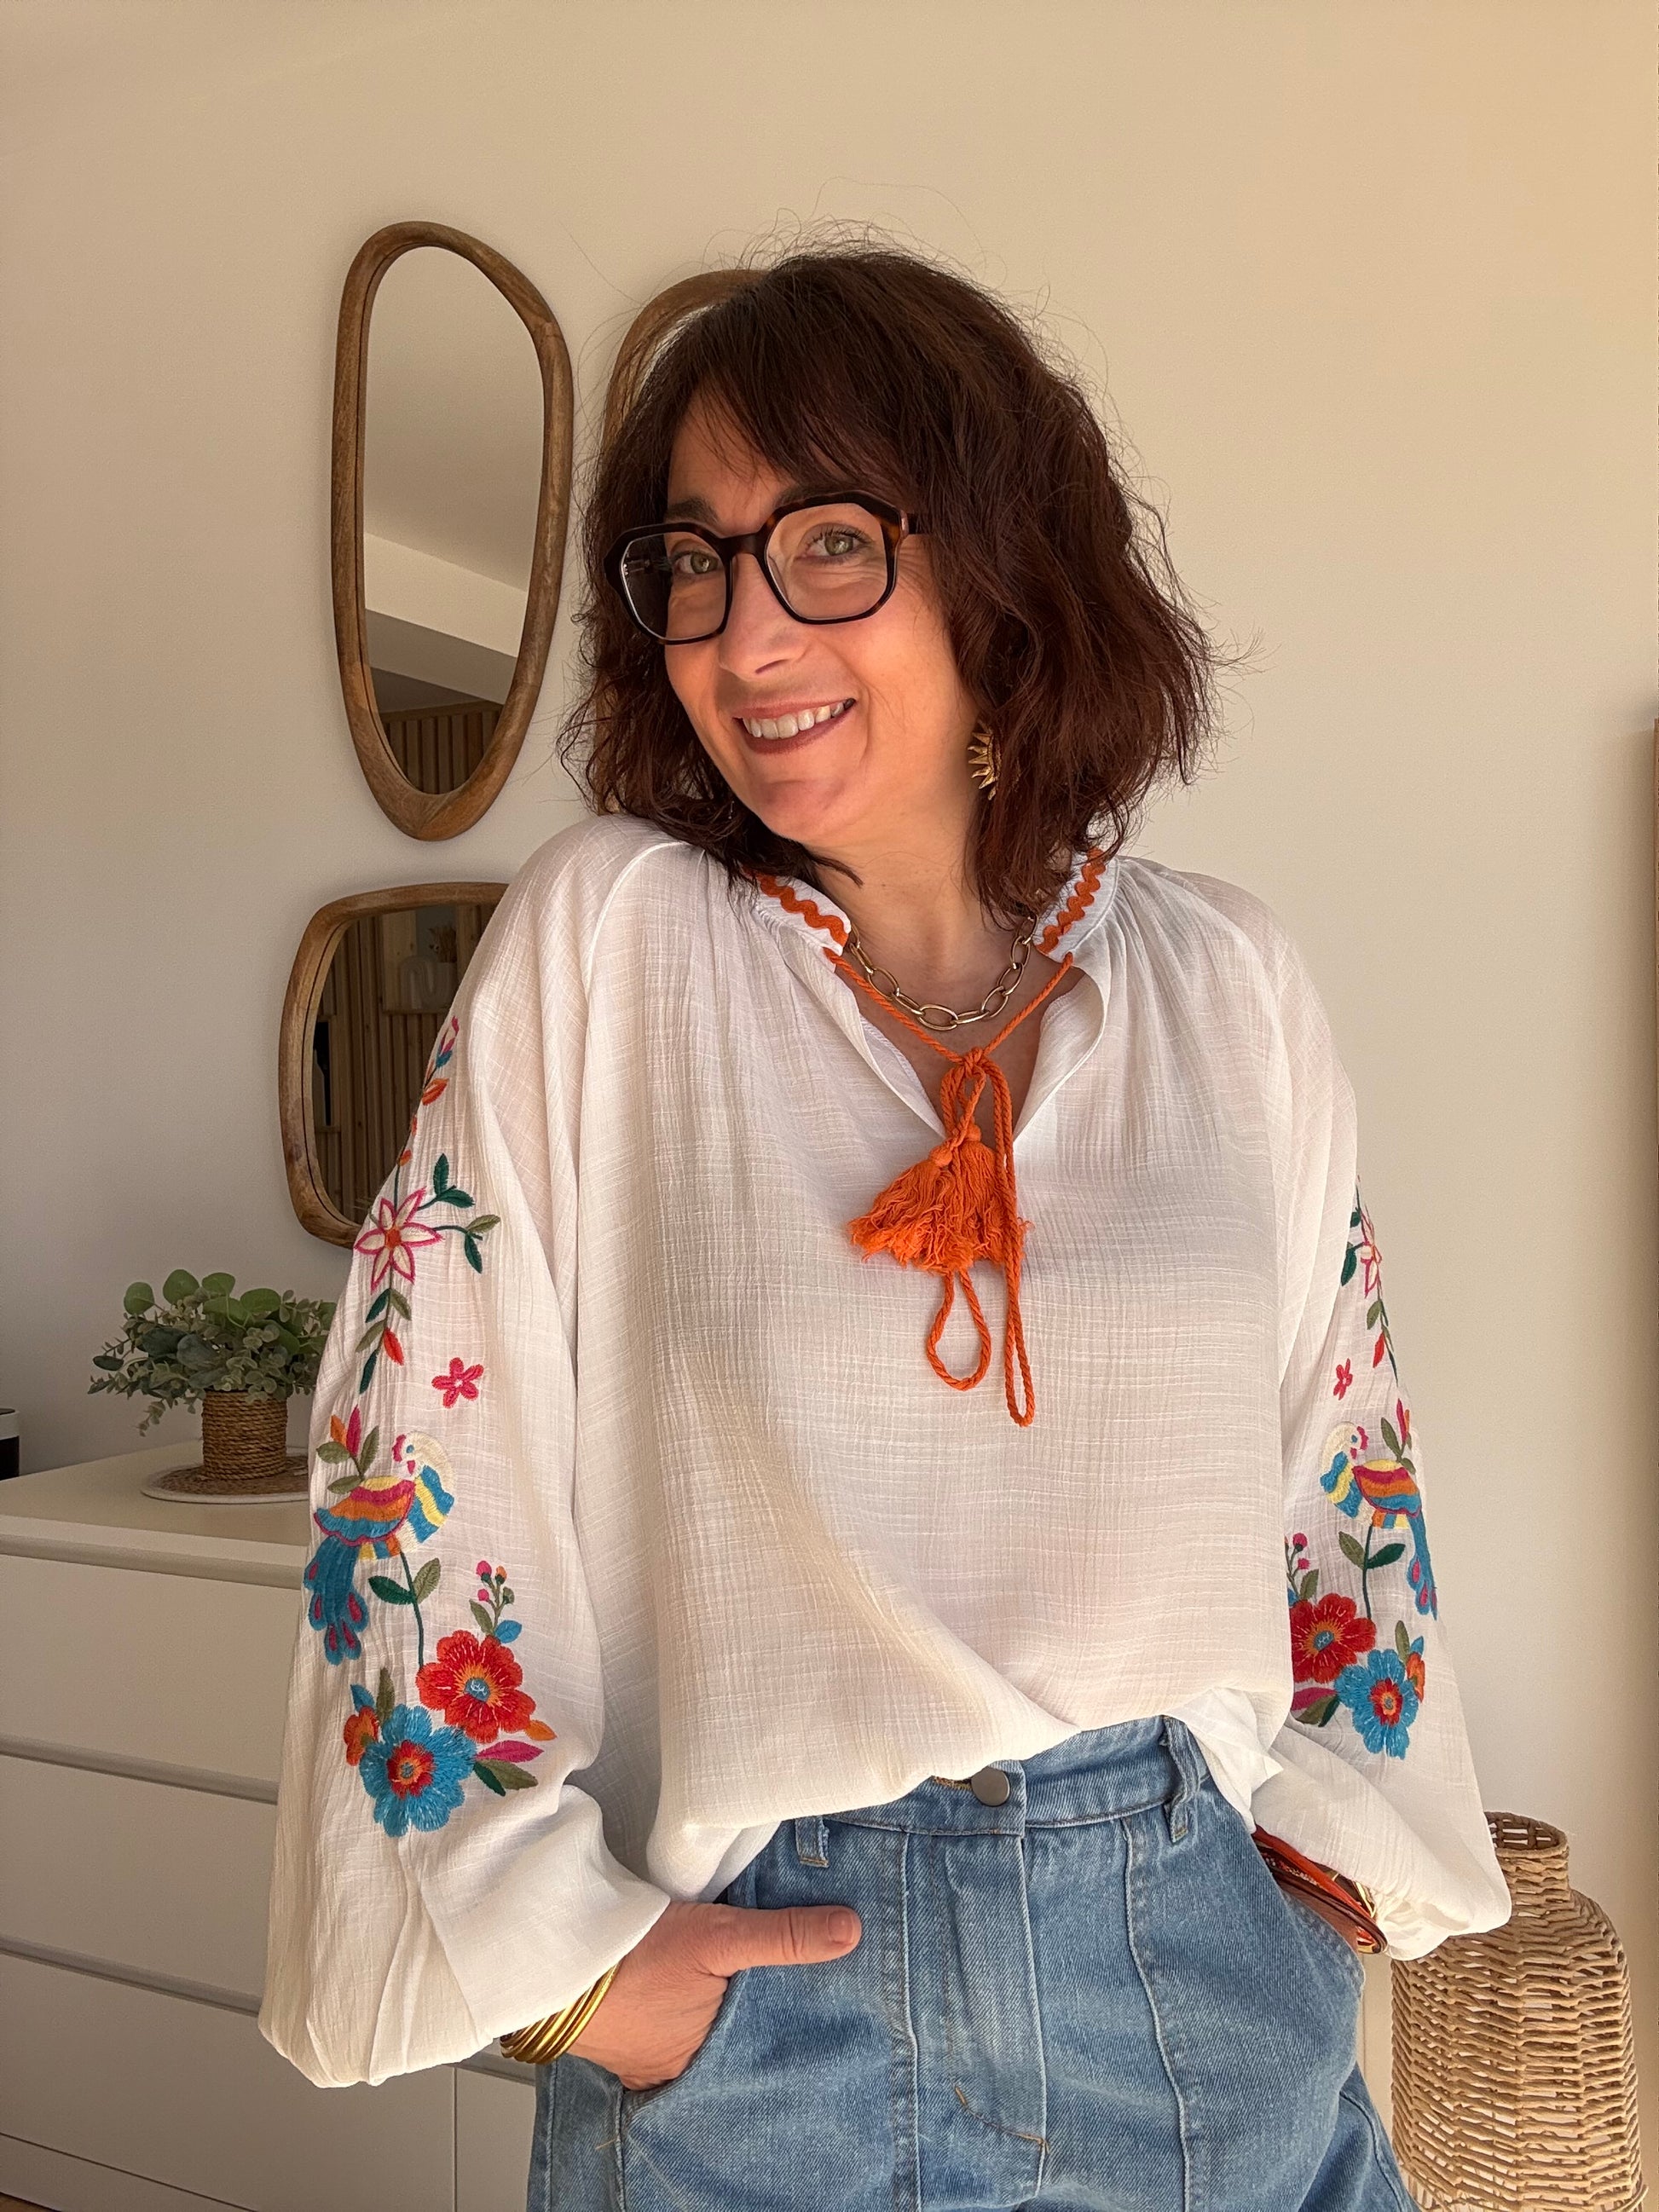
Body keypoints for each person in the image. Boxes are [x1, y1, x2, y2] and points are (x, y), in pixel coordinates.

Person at [260, 242, 1510, 2210]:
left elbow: (1339, 1468)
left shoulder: (1224, 982)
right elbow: (413, 1453)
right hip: (773, 2034)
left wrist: (1313, 1894)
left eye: (827, 543)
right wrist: (571, 1970)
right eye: (692, 563)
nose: (742, 631)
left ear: (1004, 560)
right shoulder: (608, 943)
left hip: (1196, 1989)